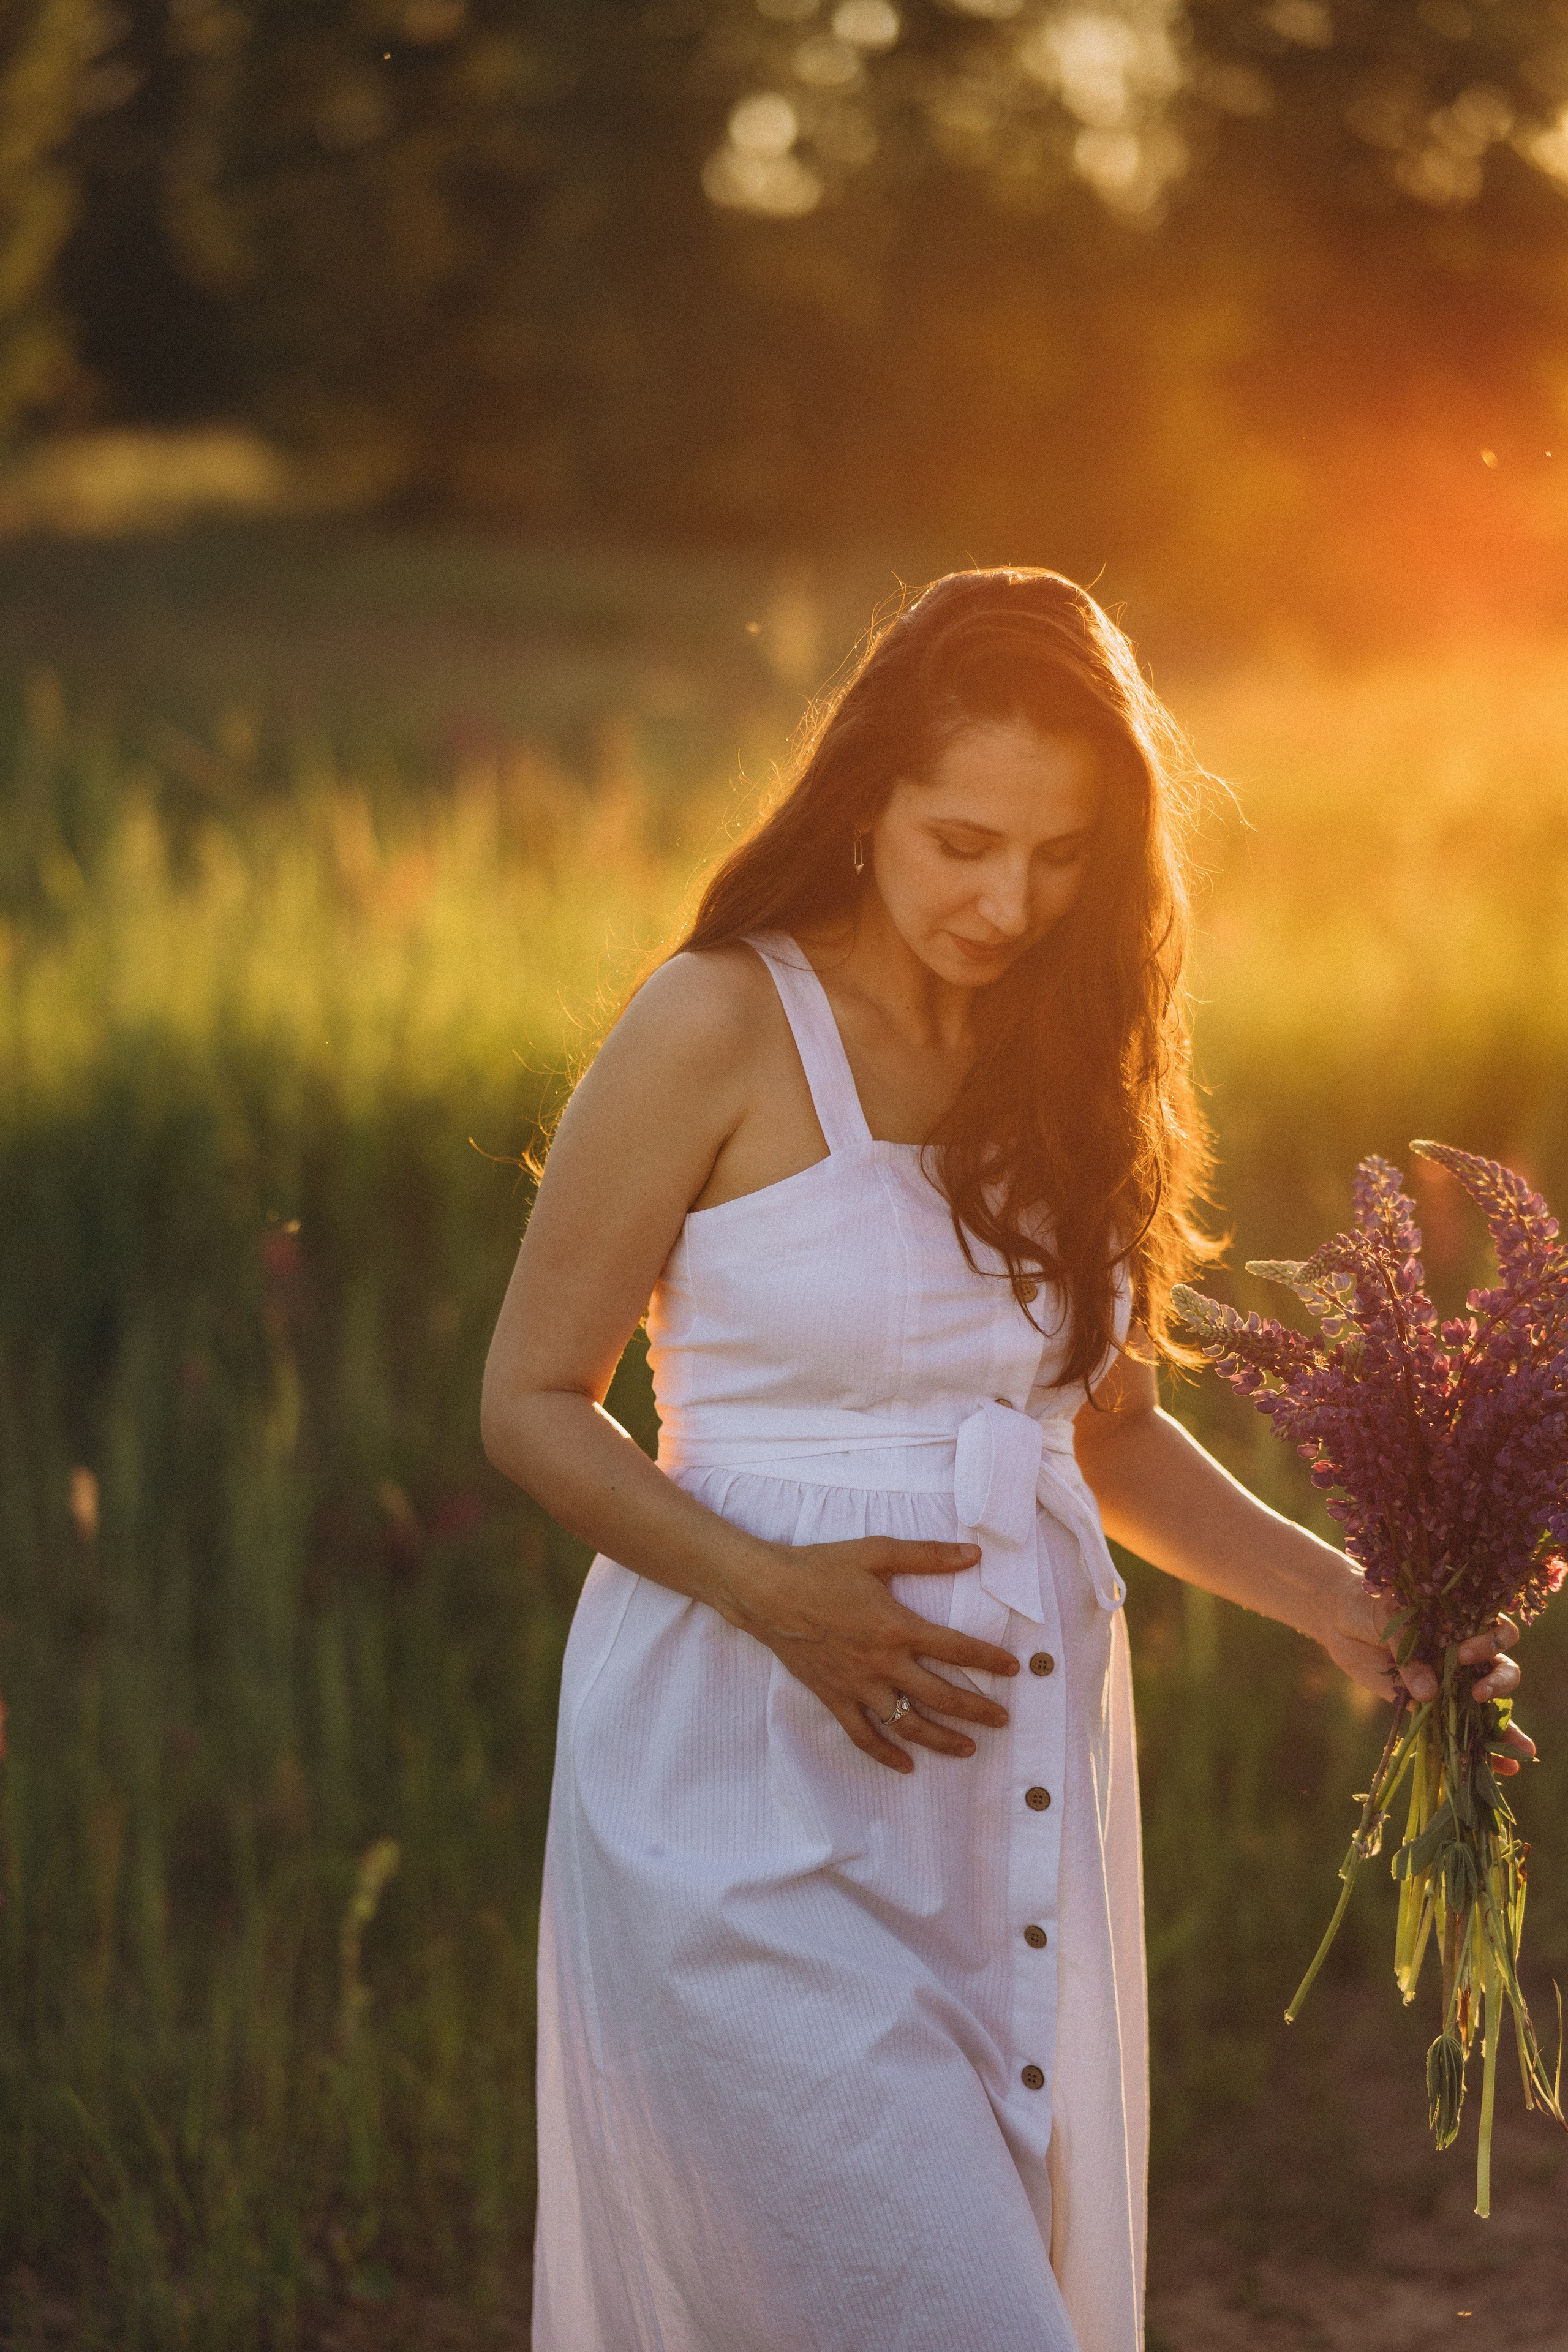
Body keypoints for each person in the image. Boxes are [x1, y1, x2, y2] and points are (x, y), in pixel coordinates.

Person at [481, 570, 1528, 2352]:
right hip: (742, 1776)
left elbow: (1093, 1426)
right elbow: (527, 1402)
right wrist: (781, 1600)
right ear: (864, 793)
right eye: (967, 841)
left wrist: (1347, 1609)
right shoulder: (719, 1021)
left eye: (1061, 858)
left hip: (1008, 1797)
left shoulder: (1072, 1051)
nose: (1011, 900)